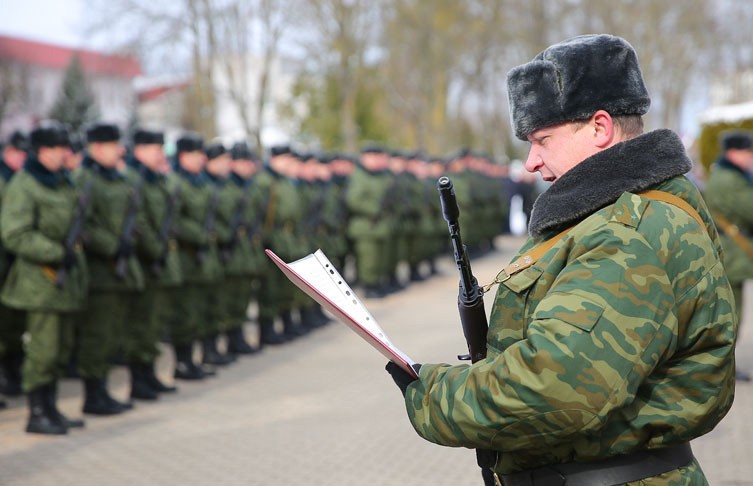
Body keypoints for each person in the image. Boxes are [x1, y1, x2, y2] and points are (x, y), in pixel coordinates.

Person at [387, 34, 736, 485]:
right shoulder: (607, 216)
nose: (531, 161)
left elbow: (555, 388)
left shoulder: (630, 234)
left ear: (600, 129)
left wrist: (433, 394)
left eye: (542, 140)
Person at [1, 122, 87, 434]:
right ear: (42, 151)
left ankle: (51, 407)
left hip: (66, 281)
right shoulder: (25, 184)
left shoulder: (63, 181)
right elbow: (15, 234)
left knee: (61, 348)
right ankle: (37, 412)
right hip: (40, 281)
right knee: (43, 350)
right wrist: (54, 252)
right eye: (58, 148)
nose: (65, 153)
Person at [76, 122, 144, 415]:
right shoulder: (85, 179)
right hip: (99, 272)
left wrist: (132, 238)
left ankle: (102, 391)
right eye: (115, 145)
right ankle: (93, 395)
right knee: (97, 335)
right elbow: (83, 225)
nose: (120, 151)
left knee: (112, 333)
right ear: (98, 147)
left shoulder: (120, 178)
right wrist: (112, 245)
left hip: (122, 271)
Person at [703, 131, 753, 382]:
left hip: (733, 252)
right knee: (731, 315)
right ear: (734, 152)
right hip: (731, 254)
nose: (751, 157)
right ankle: (721, 372)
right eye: (748, 152)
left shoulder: (731, 176)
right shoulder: (729, 179)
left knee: (732, 313)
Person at [0, 130, 29, 401]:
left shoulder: (19, 180)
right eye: (19, 152)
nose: (23, 157)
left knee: (11, 327)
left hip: (12, 265)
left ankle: (11, 374)